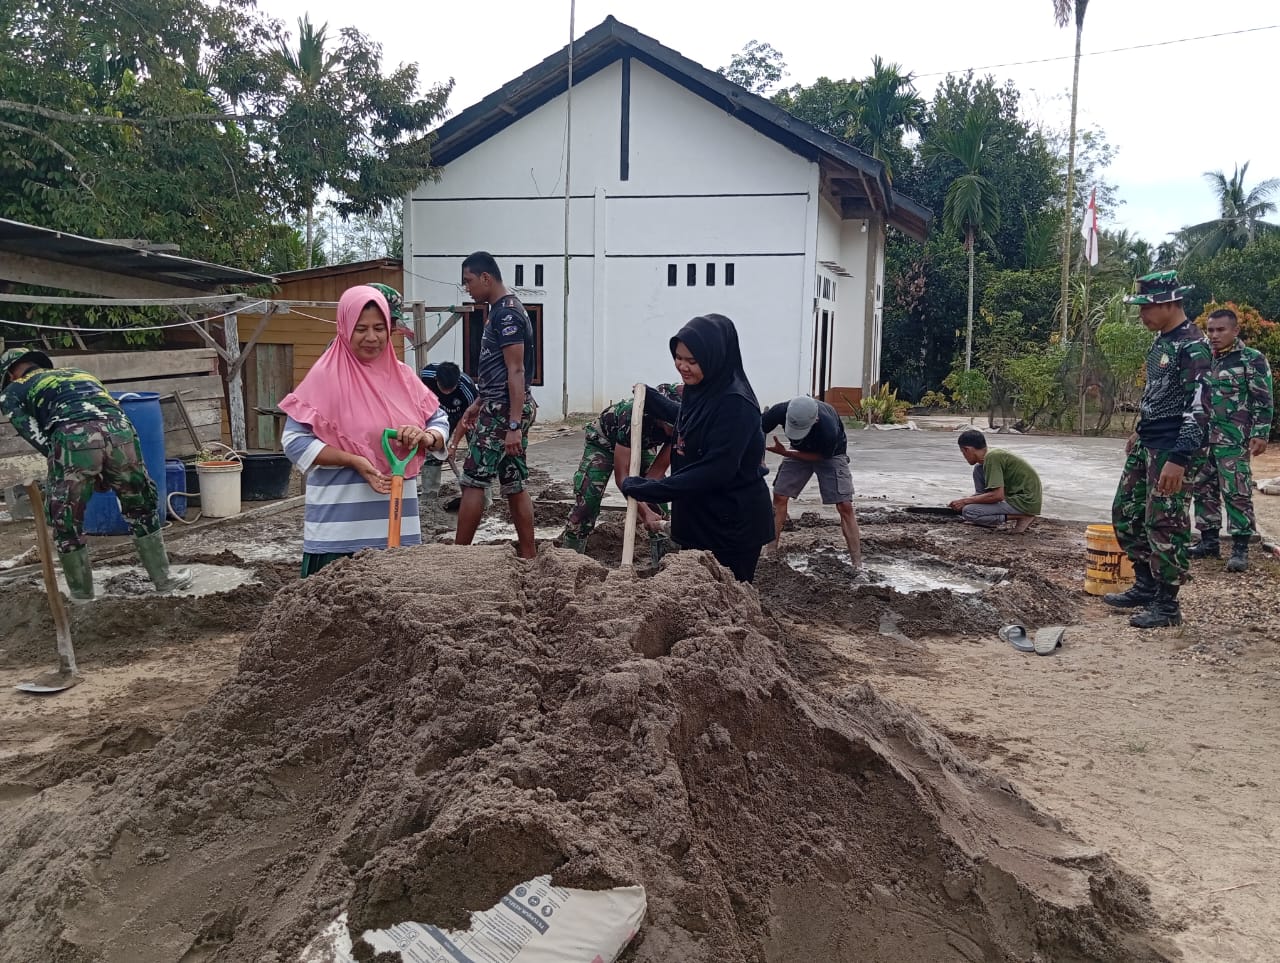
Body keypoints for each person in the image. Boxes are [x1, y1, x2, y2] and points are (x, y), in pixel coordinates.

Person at [279, 285, 450, 577]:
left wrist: (426, 437)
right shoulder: (326, 377)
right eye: (361, 329)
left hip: (398, 530)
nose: (371, 337)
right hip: (339, 534)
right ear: (345, 328)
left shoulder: (404, 378)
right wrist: (353, 460)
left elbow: (440, 420)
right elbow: (294, 442)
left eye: (379, 328)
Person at [0, 347, 190, 600]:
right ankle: (164, 580)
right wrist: (105, 468)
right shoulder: (80, 374)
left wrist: (59, 457)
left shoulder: (12, 390)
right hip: (120, 431)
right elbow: (110, 412)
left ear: (11, 373)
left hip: (72, 434)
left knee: (66, 517)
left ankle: (82, 596)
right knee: (140, 504)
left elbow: (30, 430)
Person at [620, 314, 774, 581]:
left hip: (731, 526)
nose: (683, 366)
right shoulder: (703, 388)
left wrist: (653, 489)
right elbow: (696, 421)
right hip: (700, 519)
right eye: (678, 358)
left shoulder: (736, 404)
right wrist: (656, 402)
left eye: (692, 361)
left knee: (727, 602)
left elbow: (715, 470)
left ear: (715, 357)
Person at [1103, 270, 1211, 629]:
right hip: (1149, 441)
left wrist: (1179, 458)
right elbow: (1158, 394)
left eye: (1146, 308)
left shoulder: (1193, 346)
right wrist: (1139, 430)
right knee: (1127, 512)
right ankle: (1145, 584)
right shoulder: (1162, 341)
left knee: (1166, 522)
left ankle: (1167, 605)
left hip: (1174, 447)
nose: (1141, 316)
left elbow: (1200, 407)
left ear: (1168, 303)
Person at [452, 252, 538, 559]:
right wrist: (478, 401)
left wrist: (513, 425)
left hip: (504, 412)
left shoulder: (507, 314)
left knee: (473, 478)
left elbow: (517, 371)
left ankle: (458, 557)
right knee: (514, 481)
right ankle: (528, 555)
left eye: (469, 281)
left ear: (486, 278)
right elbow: (500, 370)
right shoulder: (501, 310)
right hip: (499, 406)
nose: (468, 289)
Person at [1186, 308, 1274, 572]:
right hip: (1202, 438)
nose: (1214, 335)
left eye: (1220, 330)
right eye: (1210, 330)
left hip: (1233, 439)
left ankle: (1240, 547)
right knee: (1203, 488)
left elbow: (1263, 400)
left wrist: (1260, 433)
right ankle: (1208, 541)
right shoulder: (1202, 358)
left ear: (1235, 330)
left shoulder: (1251, 359)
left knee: (1237, 491)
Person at [559, 383, 683, 553]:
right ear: (660, 416)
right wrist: (644, 511)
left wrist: (647, 506)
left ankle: (664, 559)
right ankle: (569, 558)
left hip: (643, 445)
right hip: (603, 442)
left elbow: (656, 474)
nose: (677, 430)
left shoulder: (682, 426)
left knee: (657, 501)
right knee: (588, 500)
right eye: (672, 426)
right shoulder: (632, 416)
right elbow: (622, 479)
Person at [762, 395, 862, 567]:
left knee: (844, 505)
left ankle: (857, 563)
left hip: (831, 454)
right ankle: (770, 554)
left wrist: (786, 453)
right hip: (797, 450)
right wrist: (760, 458)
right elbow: (758, 428)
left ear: (815, 420)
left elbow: (821, 457)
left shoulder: (828, 429)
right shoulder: (781, 410)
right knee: (779, 496)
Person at [948, 429, 1042, 534]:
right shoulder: (987, 459)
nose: (964, 456)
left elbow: (998, 496)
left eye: (963, 452)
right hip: (1014, 497)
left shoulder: (992, 458)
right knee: (978, 469)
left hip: (1025, 501)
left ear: (967, 450)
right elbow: (985, 494)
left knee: (969, 511)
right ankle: (987, 519)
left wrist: (964, 501)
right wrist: (966, 501)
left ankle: (1023, 515)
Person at [418, 361, 479, 499]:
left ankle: (479, 494)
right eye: (443, 388)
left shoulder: (467, 390)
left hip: (465, 417)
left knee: (477, 451)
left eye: (450, 389)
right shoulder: (426, 377)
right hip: (437, 415)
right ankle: (429, 495)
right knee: (433, 449)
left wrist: (453, 446)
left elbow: (465, 420)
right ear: (436, 380)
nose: (447, 392)